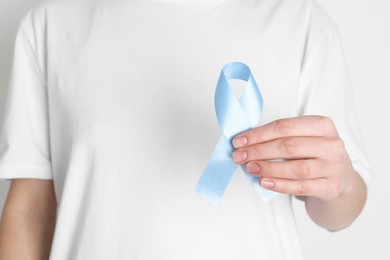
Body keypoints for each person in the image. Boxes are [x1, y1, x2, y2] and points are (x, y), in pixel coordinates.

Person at [0, 0, 371, 259]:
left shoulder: (302, 21)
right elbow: (31, 211)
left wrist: (338, 185)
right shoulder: (50, 23)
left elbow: (342, 211)